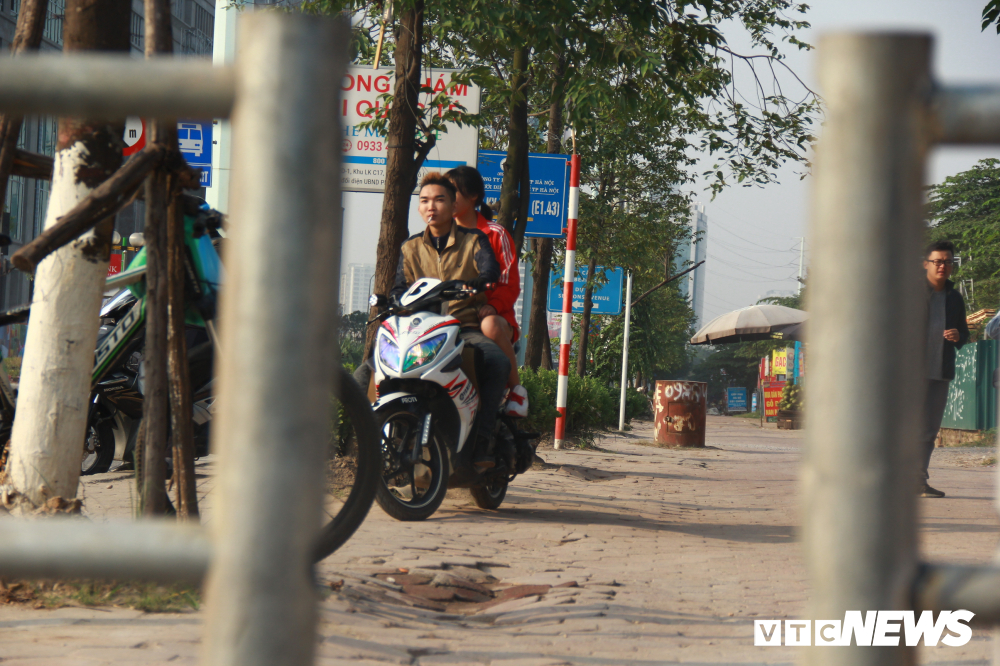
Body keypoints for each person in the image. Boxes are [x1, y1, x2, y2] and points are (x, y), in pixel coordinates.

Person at [391, 172, 510, 468]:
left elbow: (490, 270)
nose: (431, 206)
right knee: (366, 371)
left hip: (463, 328)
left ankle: (483, 440)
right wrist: (393, 299)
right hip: (421, 333)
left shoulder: (475, 239)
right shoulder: (409, 248)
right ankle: (363, 443)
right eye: (425, 200)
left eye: (440, 199)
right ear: (418, 208)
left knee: (496, 361)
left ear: (454, 205)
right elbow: (397, 287)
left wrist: (480, 281)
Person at [445, 165, 529, 418]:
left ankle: (516, 391)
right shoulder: (439, 236)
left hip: (491, 315)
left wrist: (491, 306)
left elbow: (509, 283)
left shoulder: (495, 234)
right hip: (450, 315)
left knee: (490, 325)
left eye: (452, 193)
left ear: (473, 196)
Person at [920, 240, 970, 498]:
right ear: (925, 264)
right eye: (938, 261)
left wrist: (957, 335)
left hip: (940, 372)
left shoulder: (954, 297)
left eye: (948, 262)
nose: (943, 266)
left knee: (928, 430)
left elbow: (965, 334)